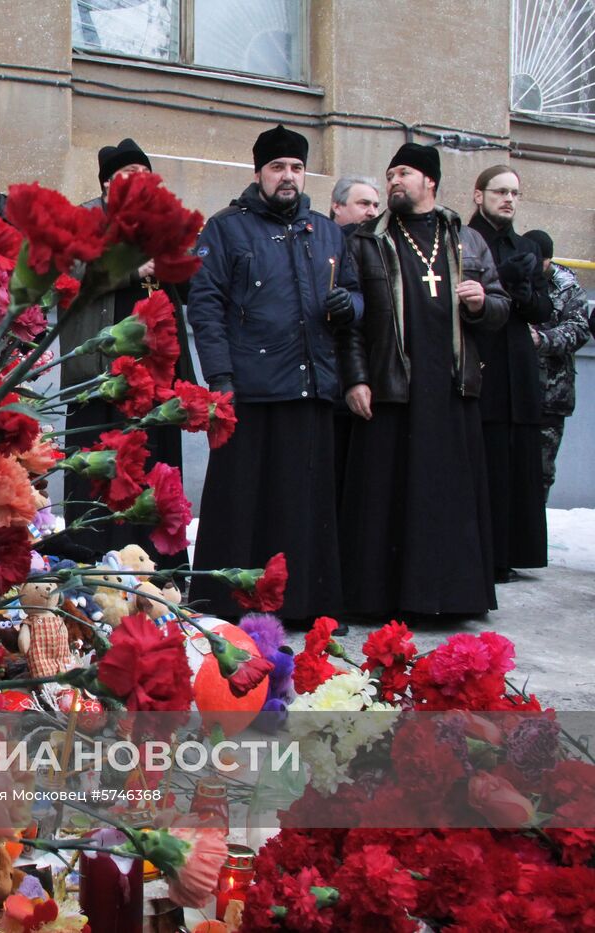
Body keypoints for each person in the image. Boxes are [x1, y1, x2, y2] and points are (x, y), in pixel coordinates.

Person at [187, 124, 361, 622]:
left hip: (311, 387)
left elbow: (356, 293)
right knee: (241, 504)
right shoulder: (225, 229)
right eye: (278, 167)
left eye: (296, 168)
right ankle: (226, 604)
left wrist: (350, 305)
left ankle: (304, 604)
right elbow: (206, 307)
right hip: (250, 388)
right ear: (259, 172)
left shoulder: (327, 232)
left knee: (303, 505)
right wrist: (220, 378)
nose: (288, 176)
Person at [337, 143, 510, 622]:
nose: (394, 181)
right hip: (391, 387)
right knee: (386, 499)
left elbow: (500, 308)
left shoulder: (466, 239)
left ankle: (451, 599)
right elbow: (351, 325)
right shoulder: (366, 240)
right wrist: (356, 379)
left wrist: (481, 304)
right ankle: (380, 599)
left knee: (447, 497)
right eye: (390, 173)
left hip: (450, 390)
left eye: (404, 173)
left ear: (430, 181)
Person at [58, 138, 198, 564]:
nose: (138, 182)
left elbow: (188, 286)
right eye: (127, 174)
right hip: (101, 370)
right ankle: (92, 560)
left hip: (155, 370)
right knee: (101, 465)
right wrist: (132, 271)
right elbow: (72, 274)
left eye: (144, 174)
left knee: (154, 463)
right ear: (106, 184)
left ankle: (158, 564)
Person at [468, 165, 554, 582]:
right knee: (487, 458)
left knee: (518, 458)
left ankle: (513, 550)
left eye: (514, 193)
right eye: (500, 191)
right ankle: (486, 554)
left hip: (516, 362)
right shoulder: (466, 239)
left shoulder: (526, 246)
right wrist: (501, 283)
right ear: (479, 195)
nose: (508, 199)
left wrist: (524, 292)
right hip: (482, 356)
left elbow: (543, 308)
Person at [524, 229, 592, 501]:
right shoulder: (515, 278)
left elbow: (579, 329)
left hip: (552, 393)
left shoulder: (567, 286)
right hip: (514, 391)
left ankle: (535, 522)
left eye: (541, 261)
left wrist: (542, 339)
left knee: (541, 471)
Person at [327, 174, 379, 508]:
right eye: (363, 203)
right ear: (337, 205)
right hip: (329, 380)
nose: (372, 211)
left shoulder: (380, 248)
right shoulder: (324, 245)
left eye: (375, 205)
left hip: (371, 381)